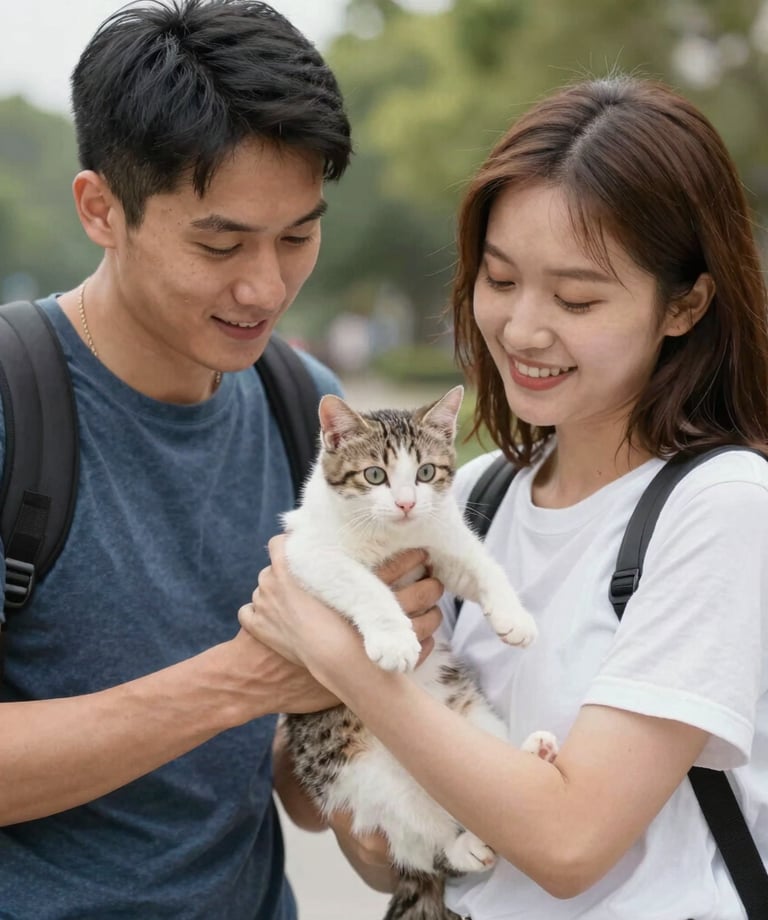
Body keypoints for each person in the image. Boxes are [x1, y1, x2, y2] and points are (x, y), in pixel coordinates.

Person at [241, 73, 768, 918]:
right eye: (499, 279)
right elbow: (339, 819)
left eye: (577, 297)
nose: (522, 329)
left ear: (686, 305)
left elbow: (568, 845)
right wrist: (381, 804)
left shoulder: (724, 508)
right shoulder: (481, 494)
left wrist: (341, 657)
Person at [0, 2, 443, 918]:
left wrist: (389, 773)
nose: (266, 286)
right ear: (101, 209)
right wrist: (245, 679)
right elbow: (259, 683)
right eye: (220, 242)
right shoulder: (15, 404)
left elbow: (300, 783)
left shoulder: (303, 405)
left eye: (298, 236)